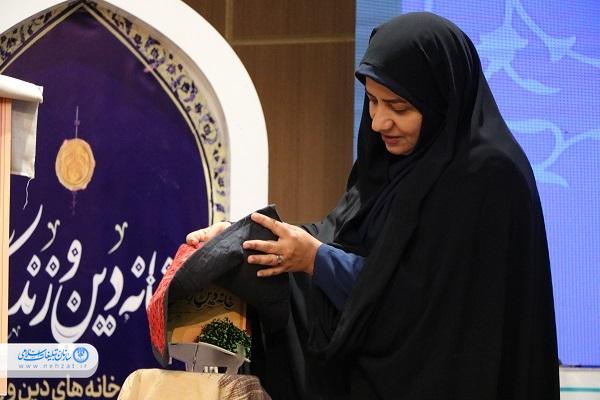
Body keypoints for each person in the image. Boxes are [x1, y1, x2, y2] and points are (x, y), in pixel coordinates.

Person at [186, 12, 559, 400]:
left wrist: (316, 260)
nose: (380, 122)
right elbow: (340, 238)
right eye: (373, 101)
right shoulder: (390, 164)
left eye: (399, 107)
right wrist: (242, 238)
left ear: (442, 102)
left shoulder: (486, 176)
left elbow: (427, 307)